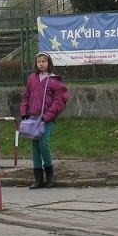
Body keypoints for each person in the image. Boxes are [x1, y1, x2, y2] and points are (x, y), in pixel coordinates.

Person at [20, 52, 69, 189]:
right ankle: (38, 178)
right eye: (39, 61)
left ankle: (50, 173)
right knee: (34, 147)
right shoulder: (32, 78)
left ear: (49, 63)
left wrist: (47, 116)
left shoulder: (55, 81)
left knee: (43, 143)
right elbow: (26, 96)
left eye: (44, 61)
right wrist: (24, 112)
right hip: (32, 118)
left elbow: (60, 101)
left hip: (47, 119)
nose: (41, 64)